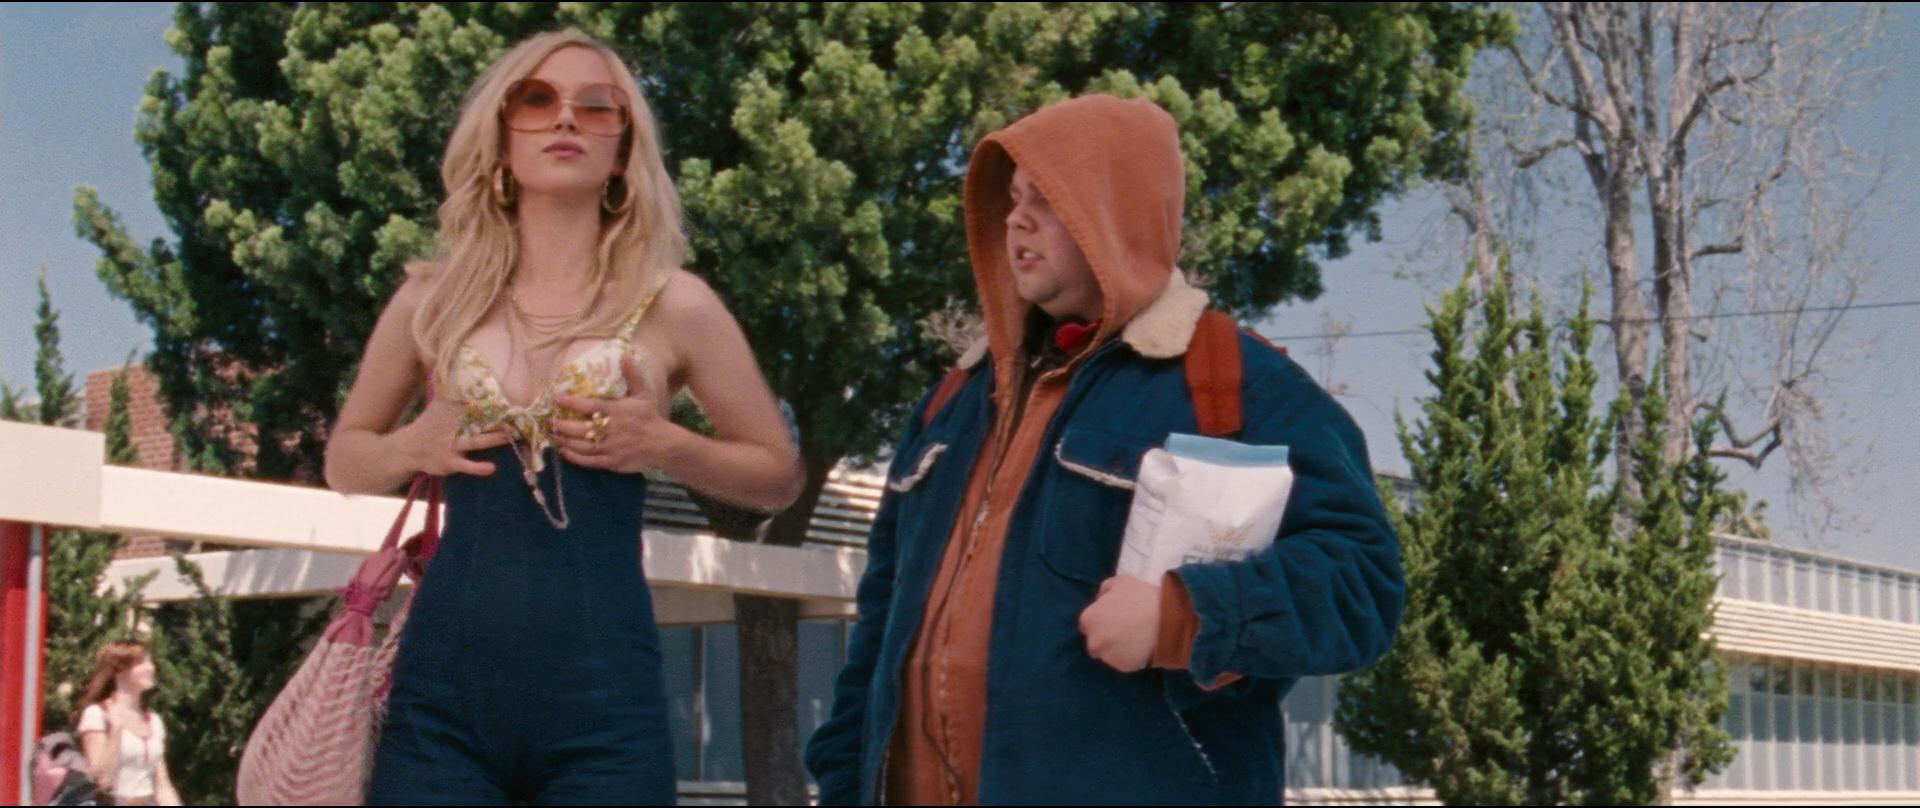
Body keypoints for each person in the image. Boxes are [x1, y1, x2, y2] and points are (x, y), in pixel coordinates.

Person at [803, 94, 1406, 805]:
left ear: (1117, 212)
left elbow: (1363, 582)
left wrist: (1186, 615)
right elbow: (877, 633)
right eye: (1012, 199)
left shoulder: (1235, 384)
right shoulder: (951, 403)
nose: (1015, 219)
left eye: (1046, 199)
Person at [323, 29, 803, 805]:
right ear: (501, 135)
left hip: (606, 704)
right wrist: (414, 443)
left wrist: (665, 444)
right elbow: (345, 459)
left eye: (598, 106)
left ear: (623, 150)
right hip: (442, 699)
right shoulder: (430, 301)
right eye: (537, 99)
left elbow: (777, 474)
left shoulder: (676, 303)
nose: (566, 118)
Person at [75, 641, 181, 806]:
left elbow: (162, 784)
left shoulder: (153, 721)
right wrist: (116, 730)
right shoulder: (97, 714)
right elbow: (102, 781)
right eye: (141, 663)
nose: (151, 668)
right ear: (119, 670)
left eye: (150, 662)